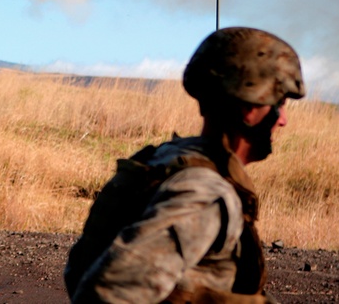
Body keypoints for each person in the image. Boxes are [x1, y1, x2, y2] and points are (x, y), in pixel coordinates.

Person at [64, 27, 306, 303]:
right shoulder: (204, 192)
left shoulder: (166, 158)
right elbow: (111, 293)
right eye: (281, 104)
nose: (284, 120)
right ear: (250, 107)